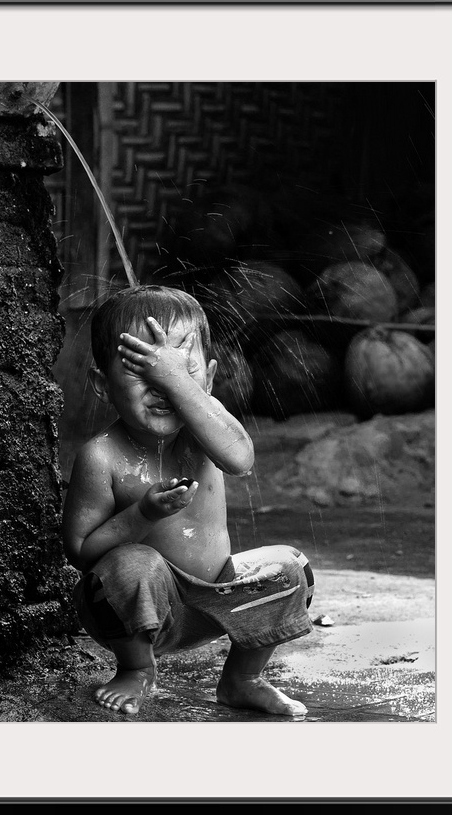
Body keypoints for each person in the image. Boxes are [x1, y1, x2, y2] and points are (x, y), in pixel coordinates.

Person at [62, 285, 315, 717]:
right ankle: (136, 670)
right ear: (102, 385)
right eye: (145, 369)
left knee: (291, 568)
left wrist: (177, 382)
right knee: (130, 565)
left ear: (209, 380)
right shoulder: (101, 456)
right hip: (138, 611)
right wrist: (142, 514)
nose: (164, 385)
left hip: (218, 600)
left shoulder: (203, 435)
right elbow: (81, 553)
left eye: (180, 369)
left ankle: (242, 679)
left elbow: (240, 459)